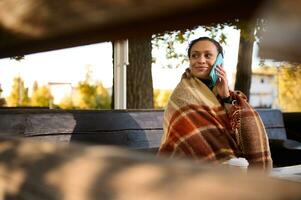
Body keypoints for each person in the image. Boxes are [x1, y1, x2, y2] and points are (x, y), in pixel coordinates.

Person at [157, 37, 272, 170]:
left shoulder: (228, 95)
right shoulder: (182, 96)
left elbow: (237, 129)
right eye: (194, 55)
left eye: (208, 55)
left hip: (236, 166)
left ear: (219, 60)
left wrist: (226, 97)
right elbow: (188, 141)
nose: (200, 60)